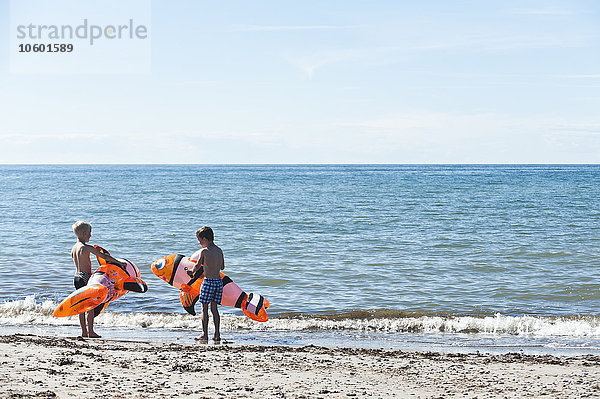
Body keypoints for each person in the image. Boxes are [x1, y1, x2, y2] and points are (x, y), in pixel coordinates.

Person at [71, 221, 127, 338]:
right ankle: (91, 331)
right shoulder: (86, 248)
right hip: (85, 278)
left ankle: (84, 332)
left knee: (81, 306)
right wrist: (118, 262)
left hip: (77, 278)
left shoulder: (74, 248)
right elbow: (104, 256)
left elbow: (81, 265)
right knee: (91, 306)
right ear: (84, 233)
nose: (91, 235)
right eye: (90, 233)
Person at [187, 226, 225, 342]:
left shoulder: (204, 251)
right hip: (218, 282)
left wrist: (191, 272)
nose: (199, 242)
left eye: (199, 240)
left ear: (204, 239)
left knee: (204, 308)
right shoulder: (219, 250)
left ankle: (205, 334)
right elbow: (222, 267)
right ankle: (217, 334)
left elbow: (197, 266)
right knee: (215, 309)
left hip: (208, 282)